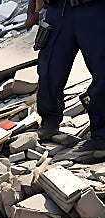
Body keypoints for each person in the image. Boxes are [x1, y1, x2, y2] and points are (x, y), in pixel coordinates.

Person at [26, 0, 105, 159]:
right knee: (49, 66)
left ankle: (102, 135)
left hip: (94, 7)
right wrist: (32, 11)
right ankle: (49, 120)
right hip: (59, 9)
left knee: (102, 69)